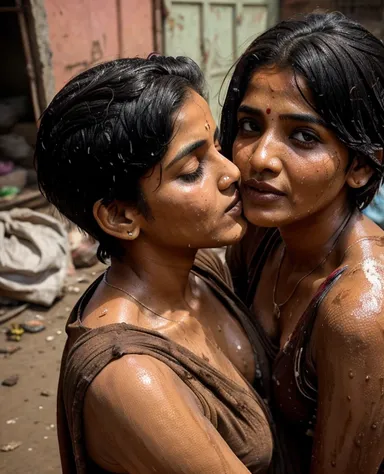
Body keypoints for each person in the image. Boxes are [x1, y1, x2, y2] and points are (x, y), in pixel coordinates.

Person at [221, 12, 384, 474]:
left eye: (302, 136)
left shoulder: (362, 310)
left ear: (360, 165)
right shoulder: (259, 234)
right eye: (250, 126)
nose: (259, 158)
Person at [35, 56, 282, 474]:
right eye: (191, 170)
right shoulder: (132, 378)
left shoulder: (200, 269)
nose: (232, 172)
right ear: (121, 217)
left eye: (218, 147)